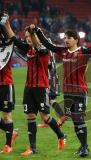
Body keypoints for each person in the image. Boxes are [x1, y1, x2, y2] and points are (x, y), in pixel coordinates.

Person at [31, 23, 91, 157]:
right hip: (68, 92)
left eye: (69, 37)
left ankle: (85, 147)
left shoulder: (83, 51)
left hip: (80, 91)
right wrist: (38, 31)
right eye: (65, 37)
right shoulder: (63, 51)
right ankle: (83, 146)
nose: (66, 40)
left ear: (76, 39)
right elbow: (49, 45)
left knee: (79, 119)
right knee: (75, 121)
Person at [4, 15, 66, 156]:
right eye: (25, 36)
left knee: (45, 117)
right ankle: (32, 148)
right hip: (29, 88)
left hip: (41, 88)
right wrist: (7, 24)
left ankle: (61, 136)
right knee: (30, 116)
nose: (26, 38)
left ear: (33, 37)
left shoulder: (43, 49)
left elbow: (38, 44)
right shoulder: (28, 49)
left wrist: (33, 32)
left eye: (28, 36)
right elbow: (14, 39)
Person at [0, 22, 18, 154]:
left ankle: (8, 145)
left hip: (6, 84)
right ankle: (11, 132)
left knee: (6, 115)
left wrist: (4, 24)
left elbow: (9, 37)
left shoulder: (7, 47)